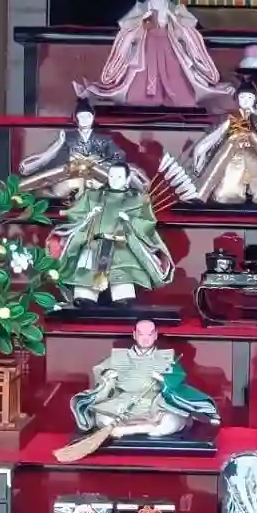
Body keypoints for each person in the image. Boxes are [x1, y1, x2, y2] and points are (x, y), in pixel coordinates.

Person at [56, 320, 220, 461]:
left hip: (155, 403)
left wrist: (164, 380)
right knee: (101, 419)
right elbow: (101, 372)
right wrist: (108, 377)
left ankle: (127, 431)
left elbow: (178, 379)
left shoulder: (167, 358)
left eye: (149, 334)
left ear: (155, 335)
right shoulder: (118, 357)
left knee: (174, 421)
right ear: (134, 335)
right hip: (123, 402)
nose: (145, 338)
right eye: (141, 334)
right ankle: (127, 429)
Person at [76, 0, 230, 109]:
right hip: (147, 42)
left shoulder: (173, 6)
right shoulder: (143, 6)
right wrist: (144, 19)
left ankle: (176, 97)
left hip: (169, 42)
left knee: (175, 69)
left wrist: (174, 18)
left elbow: (189, 23)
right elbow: (128, 24)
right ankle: (144, 98)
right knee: (144, 70)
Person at [49, 163, 175, 304]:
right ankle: (86, 296)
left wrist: (130, 220)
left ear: (127, 179)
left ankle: (122, 296)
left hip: (122, 245)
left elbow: (147, 222)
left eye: (119, 177)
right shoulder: (92, 195)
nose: (114, 180)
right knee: (86, 274)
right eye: (112, 176)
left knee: (122, 274)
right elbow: (75, 214)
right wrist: (89, 216)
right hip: (94, 243)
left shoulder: (138, 199)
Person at [175, 83, 257, 205]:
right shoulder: (229, 118)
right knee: (225, 197)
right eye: (242, 97)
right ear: (237, 99)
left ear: (254, 100)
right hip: (233, 157)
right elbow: (214, 137)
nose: (246, 101)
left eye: (249, 97)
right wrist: (201, 151)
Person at [16, 101, 139, 201]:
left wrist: (99, 161)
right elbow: (50, 157)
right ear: (76, 118)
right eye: (81, 116)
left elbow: (119, 156)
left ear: (93, 117)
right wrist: (59, 145)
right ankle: (21, 191)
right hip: (72, 172)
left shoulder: (104, 139)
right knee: (53, 186)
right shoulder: (67, 137)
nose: (85, 119)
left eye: (88, 116)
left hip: (95, 174)